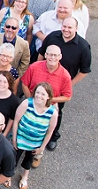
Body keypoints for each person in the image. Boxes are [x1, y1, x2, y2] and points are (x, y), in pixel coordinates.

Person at [38, 17, 91, 152]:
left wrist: (69, 84)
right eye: (64, 26)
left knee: (56, 112)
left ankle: (53, 137)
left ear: (76, 29)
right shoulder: (52, 37)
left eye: (70, 27)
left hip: (60, 86)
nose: (66, 30)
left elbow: (84, 70)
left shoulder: (83, 47)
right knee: (36, 106)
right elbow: (41, 54)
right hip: (42, 81)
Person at [21, 45, 72, 163]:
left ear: (60, 57)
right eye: (49, 54)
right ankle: (19, 144)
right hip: (31, 99)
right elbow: (24, 84)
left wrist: (48, 100)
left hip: (50, 106)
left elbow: (67, 96)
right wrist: (31, 101)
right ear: (45, 55)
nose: (52, 57)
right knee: (23, 123)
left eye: (55, 55)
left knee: (43, 130)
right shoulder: (34, 67)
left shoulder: (65, 75)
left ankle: (37, 154)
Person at [12, 82, 58, 189]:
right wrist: (14, 139)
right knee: (13, 159)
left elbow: (49, 132)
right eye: (37, 92)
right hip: (20, 139)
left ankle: (25, 176)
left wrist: (42, 147)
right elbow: (16, 121)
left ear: (48, 96)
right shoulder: (26, 103)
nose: (39, 96)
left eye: (43, 94)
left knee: (28, 160)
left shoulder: (52, 113)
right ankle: (8, 175)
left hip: (35, 143)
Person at [0, 71, 20, 136]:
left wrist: (4, 134)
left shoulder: (14, 101)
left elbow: (11, 119)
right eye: (0, 81)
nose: (1, 84)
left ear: (9, 84)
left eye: (5, 82)